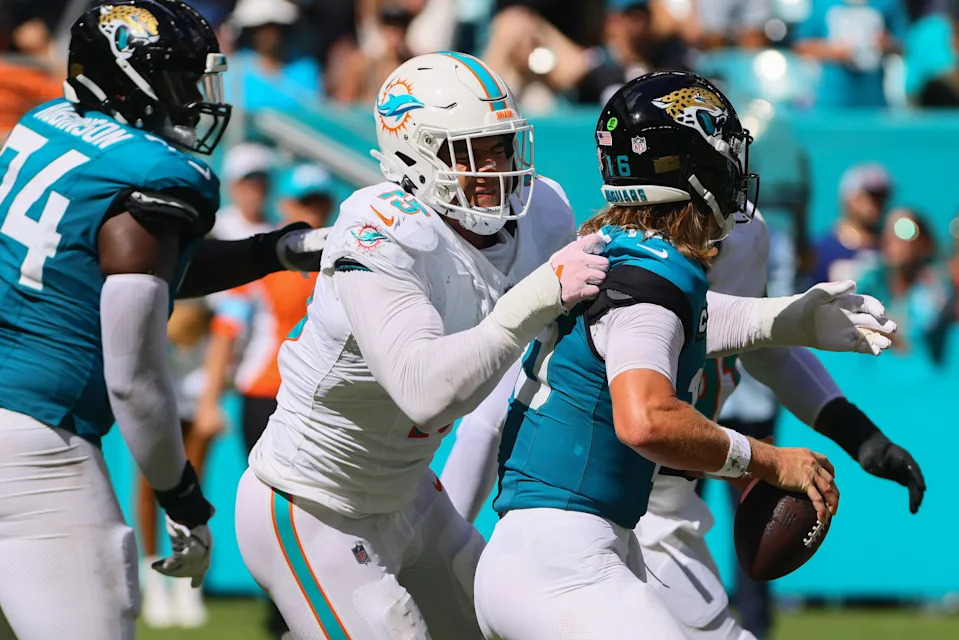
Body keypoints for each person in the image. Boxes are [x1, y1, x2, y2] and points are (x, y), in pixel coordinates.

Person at [472, 71, 895, 639]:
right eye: (723, 154)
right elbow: (645, 418)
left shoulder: (629, 256)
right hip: (566, 561)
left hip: (573, 549)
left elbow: (694, 320)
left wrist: (790, 318)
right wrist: (770, 460)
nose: (735, 170)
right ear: (689, 168)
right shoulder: (651, 281)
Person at [233, 50, 602, 640]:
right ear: (415, 157)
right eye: (470, 153)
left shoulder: (541, 212)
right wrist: (534, 298)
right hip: (314, 503)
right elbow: (425, 392)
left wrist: (776, 321)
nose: (494, 169)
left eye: (501, 146)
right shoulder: (380, 227)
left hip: (410, 494)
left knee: (502, 624)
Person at [0, 2, 327, 639]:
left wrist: (268, 250)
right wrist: (181, 497)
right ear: (127, 84)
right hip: (38, 442)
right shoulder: (153, 177)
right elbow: (134, 381)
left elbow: (147, 264)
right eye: (179, 78)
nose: (193, 97)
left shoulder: (44, 126)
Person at [810, 162, 892, 285]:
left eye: (882, 196)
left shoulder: (890, 248)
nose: (877, 203)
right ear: (850, 198)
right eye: (871, 195)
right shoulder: (822, 250)